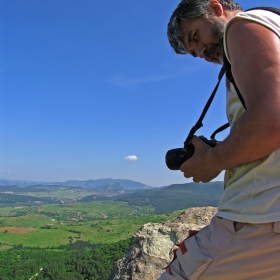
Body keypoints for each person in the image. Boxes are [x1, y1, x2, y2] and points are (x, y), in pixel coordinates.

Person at [158, 0, 280, 279]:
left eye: (195, 36)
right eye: (194, 52)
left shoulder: (243, 26)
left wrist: (213, 160)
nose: (201, 52)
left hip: (260, 214)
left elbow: (272, 122)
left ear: (214, 8)